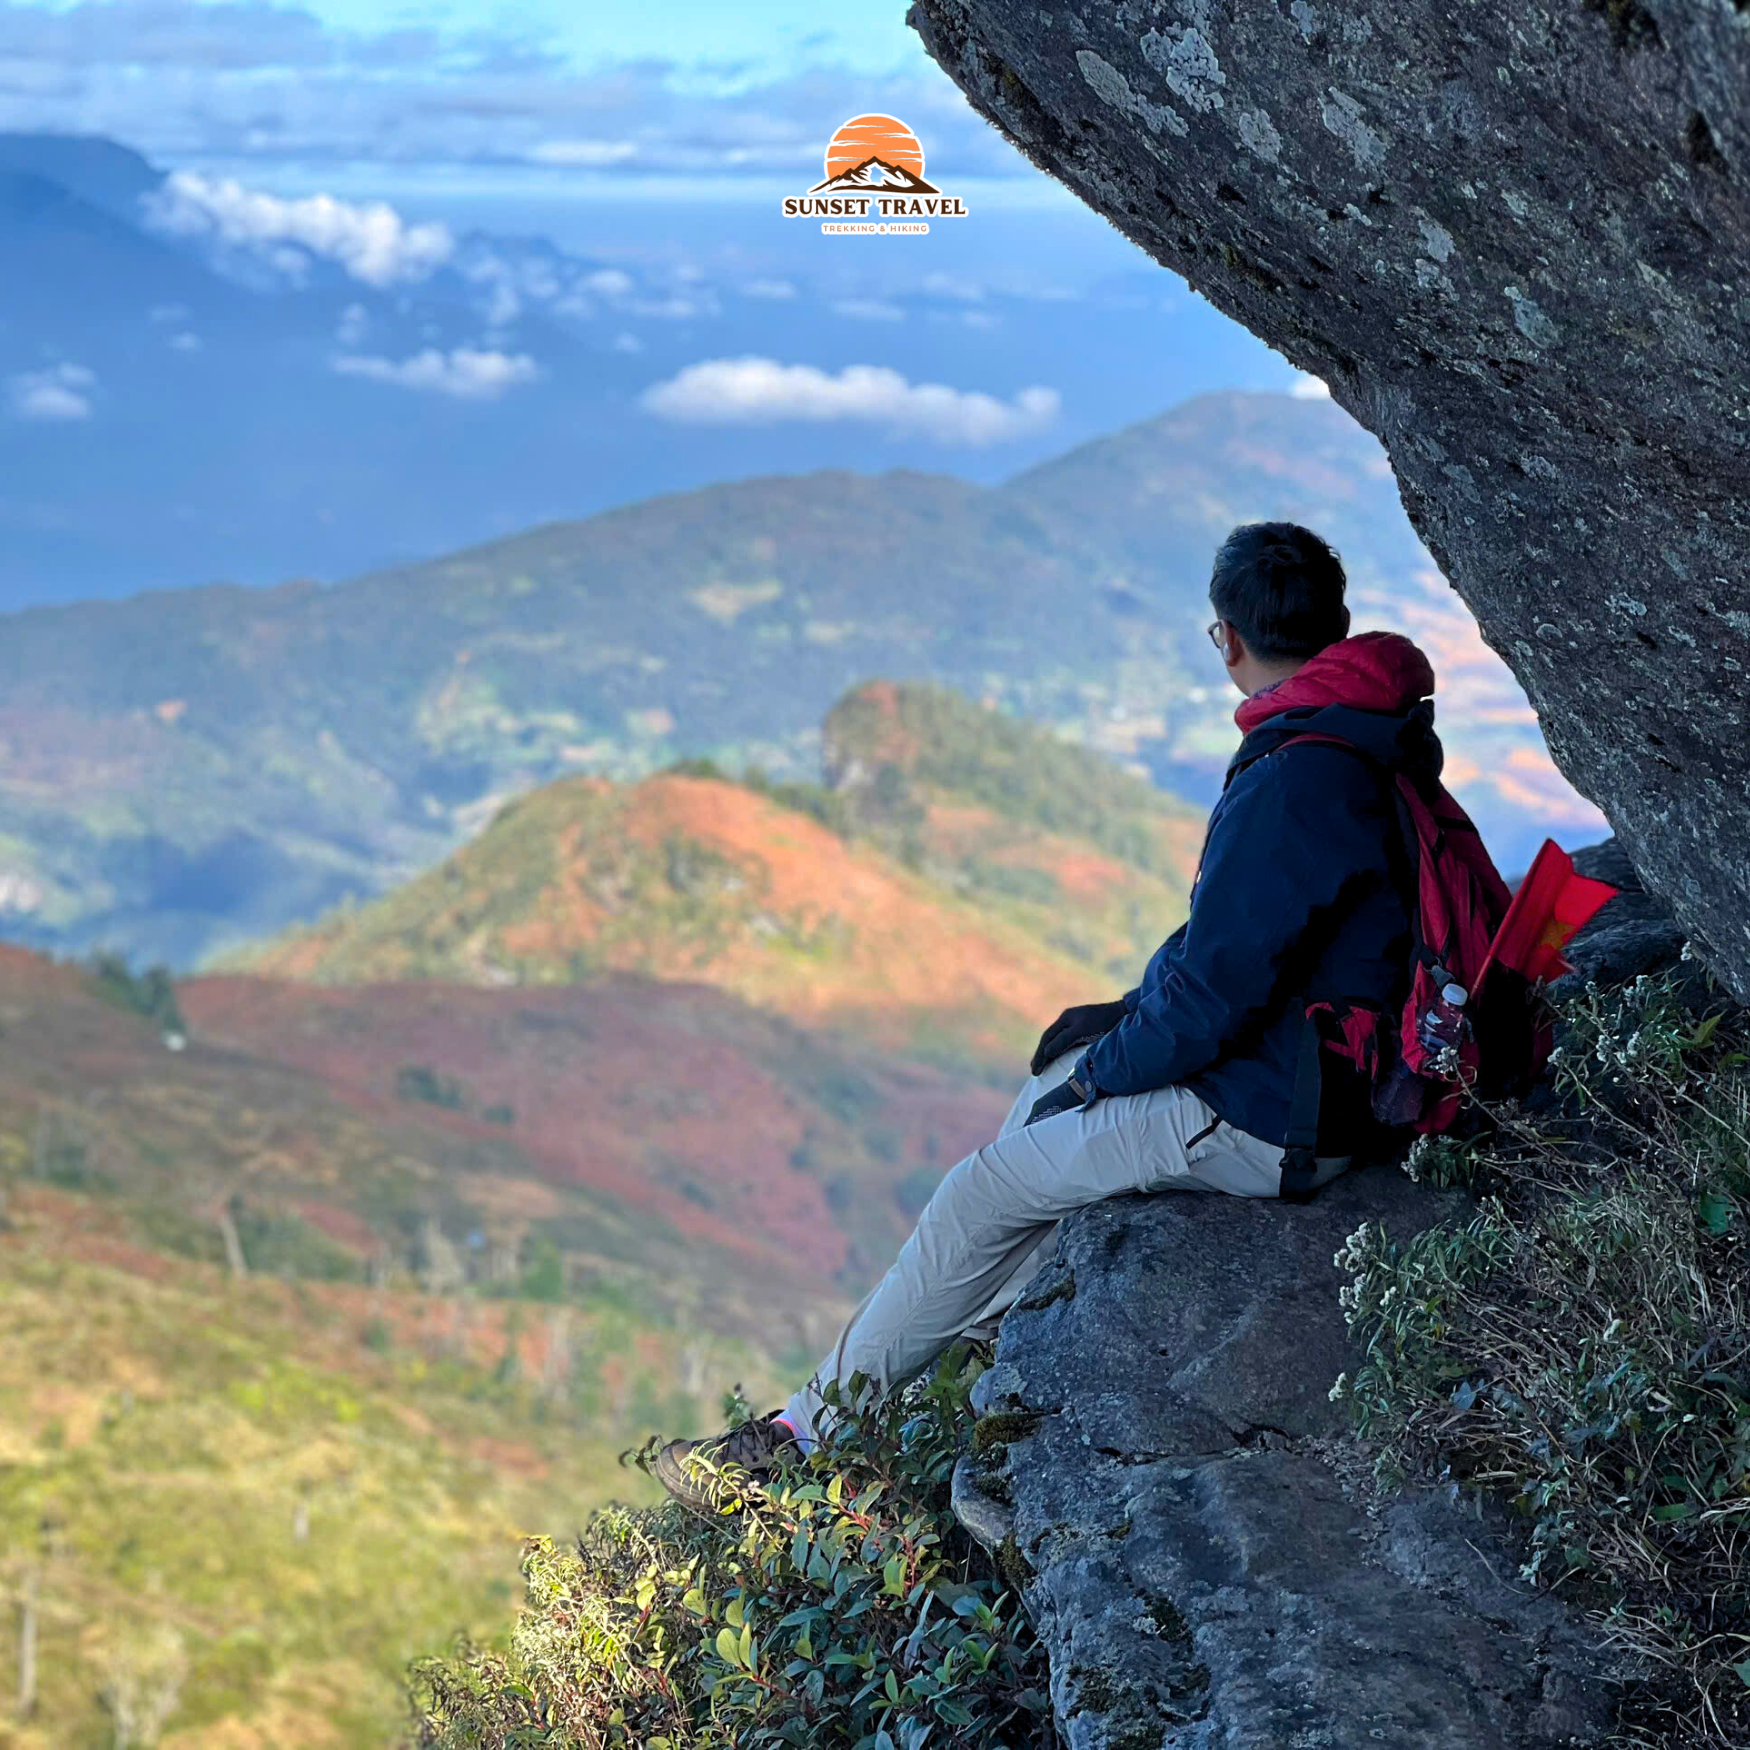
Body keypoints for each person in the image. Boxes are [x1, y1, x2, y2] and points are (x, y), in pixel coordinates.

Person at [655, 520, 1444, 1509]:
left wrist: (1103, 1071)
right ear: (1333, 623)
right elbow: (1248, 947)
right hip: (1309, 1064)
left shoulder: (1296, 774)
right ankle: (937, 1374)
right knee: (1042, 1103)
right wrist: (1106, 1038)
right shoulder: (1362, 726)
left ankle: (795, 1446)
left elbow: (1213, 996)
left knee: (981, 1188)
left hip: (1278, 1114)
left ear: (1229, 641)